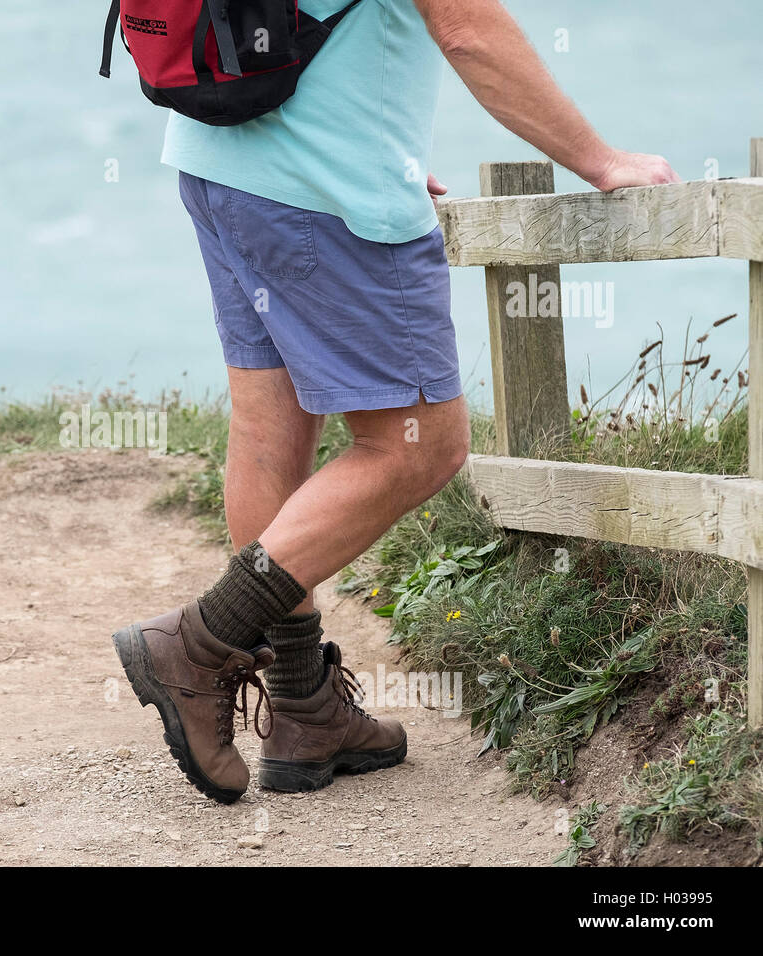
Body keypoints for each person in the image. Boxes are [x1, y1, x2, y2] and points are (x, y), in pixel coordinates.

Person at [112, 0, 679, 804]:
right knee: (419, 445)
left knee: (271, 427)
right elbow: (469, 30)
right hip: (324, 191)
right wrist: (599, 159)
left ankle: (305, 710)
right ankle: (197, 643)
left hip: (219, 163)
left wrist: (377, 133)